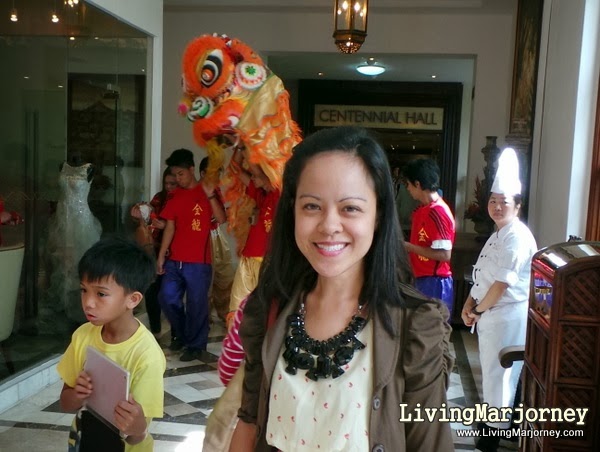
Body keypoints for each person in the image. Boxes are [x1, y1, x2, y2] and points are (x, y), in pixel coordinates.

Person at [229, 126, 454, 452]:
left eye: (350, 208)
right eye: (311, 206)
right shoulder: (269, 309)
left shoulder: (416, 326)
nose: (329, 226)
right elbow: (249, 422)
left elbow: (429, 443)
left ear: (377, 215)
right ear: (292, 211)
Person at [56, 236, 166, 451]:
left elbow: (136, 437)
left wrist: (137, 426)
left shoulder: (147, 355)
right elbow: (65, 402)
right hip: (83, 441)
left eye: (101, 294)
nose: (88, 302)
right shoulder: (83, 336)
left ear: (133, 299)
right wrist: (78, 394)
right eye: (84, 290)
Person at [461, 148, 537, 452]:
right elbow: (483, 276)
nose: (496, 206)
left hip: (506, 317)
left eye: (504, 201)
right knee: (492, 375)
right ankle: (492, 425)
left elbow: (502, 285)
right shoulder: (498, 234)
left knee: (501, 377)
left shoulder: (517, 236)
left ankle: (493, 435)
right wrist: (469, 304)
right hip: (490, 314)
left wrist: (477, 310)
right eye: (493, 201)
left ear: (517, 205)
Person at [157, 148, 226, 361]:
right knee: (166, 297)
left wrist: (210, 195)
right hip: (174, 260)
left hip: (199, 261)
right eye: (175, 175)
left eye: (181, 174)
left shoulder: (208, 191)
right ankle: (184, 334)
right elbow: (170, 226)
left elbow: (221, 219)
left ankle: (195, 346)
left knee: (197, 304)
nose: (178, 179)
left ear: (191, 169)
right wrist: (161, 256)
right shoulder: (175, 195)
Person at [226, 146, 281, 329]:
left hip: (270, 262)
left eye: (255, 175)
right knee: (237, 308)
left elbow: (266, 173)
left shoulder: (279, 194)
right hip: (248, 259)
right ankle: (238, 344)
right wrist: (241, 146)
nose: (252, 178)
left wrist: (254, 148)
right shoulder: (260, 195)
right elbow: (235, 169)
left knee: (268, 310)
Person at [43, 160, 103, 331]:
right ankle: (62, 306)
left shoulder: (89, 169)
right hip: (62, 219)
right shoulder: (62, 166)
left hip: (81, 222)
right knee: (61, 264)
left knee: (79, 264)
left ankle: (80, 310)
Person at [402, 158, 456, 314]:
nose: (408, 189)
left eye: (408, 184)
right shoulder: (424, 210)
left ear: (417, 184)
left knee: (432, 326)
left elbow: (445, 254)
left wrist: (408, 247)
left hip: (435, 282)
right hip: (422, 278)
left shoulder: (437, 212)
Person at [130, 167, 178, 336]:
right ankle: (156, 330)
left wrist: (167, 226)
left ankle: (176, 334)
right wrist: (139, 216)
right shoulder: (159, 198)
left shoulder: (183, 199)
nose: (169, 187)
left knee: (170, 295)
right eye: (166, 183)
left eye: (173, 183)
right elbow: (148, 219)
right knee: (152, 292)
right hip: (155, 250)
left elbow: (187, 226)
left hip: (175, 252)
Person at [199, 157, 235, 323]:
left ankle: (224, 314)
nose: (218, 177)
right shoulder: (195, 191)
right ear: (202, 173)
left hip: (217, 235)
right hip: (202, 238)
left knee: (225, 276)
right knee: (206, 279)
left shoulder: (216, 190)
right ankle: (203, 318)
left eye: (219, 172)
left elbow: (220, 217)